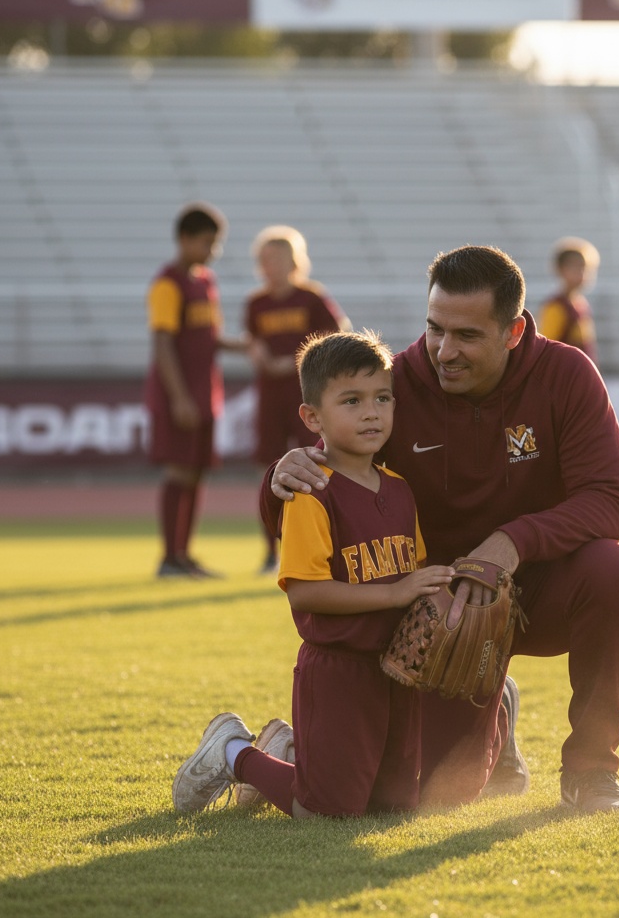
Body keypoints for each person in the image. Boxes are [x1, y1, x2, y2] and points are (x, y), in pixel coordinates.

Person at [263, 245, 619, 814]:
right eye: (434, 329)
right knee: (429, 797)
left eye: (466, 336)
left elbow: (611, 501)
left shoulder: (566, 374)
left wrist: (512, 541)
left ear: (513, 331)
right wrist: (278, 478)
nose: (444, 351)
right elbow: (328, 485)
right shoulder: (394, 386)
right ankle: (297, 750)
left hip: (542, 591)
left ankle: (590, 773)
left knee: (613, 569)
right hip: (441, 619)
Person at [171, 330, 455, 817]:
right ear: (311, 416)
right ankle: (234, 753)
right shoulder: (310, 489)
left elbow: (419, 573)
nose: (372, 412)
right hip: (339, 669)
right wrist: (395, 595)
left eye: (382, 398)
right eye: (351, 400)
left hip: (396, 669)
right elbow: (304, 593)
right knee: (323, 810)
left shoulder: (401, 488)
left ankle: (290, 750)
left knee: (395, 806)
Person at [144, 203, 246, 578]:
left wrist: (246, 345)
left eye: (215, 243)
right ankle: (170, 557)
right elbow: (163, 343)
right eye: (207, 242)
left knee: (197, 473)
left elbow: (210, 338)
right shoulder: (167, 284)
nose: (213, 250)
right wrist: (180, 397)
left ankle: (184, 556)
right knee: (178, 472)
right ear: (185, 239)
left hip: (205, 394)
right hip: (180, 398)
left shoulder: (205, 281)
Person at [245, 225, 350, 573]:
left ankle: (322, 546)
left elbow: (338, 336)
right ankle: (271, 552)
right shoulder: (256, 304)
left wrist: (291, 359)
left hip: (308, 398)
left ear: (294, 261)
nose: (269, 266)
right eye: (264, 259)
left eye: (275, 258)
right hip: (270, 397)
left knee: (317, 466)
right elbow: (254, 340)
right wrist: (257, 351)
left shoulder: (312, 298)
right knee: (271, 469)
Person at [537, 237, 600, 364]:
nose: (582, 273)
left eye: (585, 268)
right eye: (575, 268)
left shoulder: (581, 304)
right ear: (561, 270)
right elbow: (545, 349)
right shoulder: (556, 306)